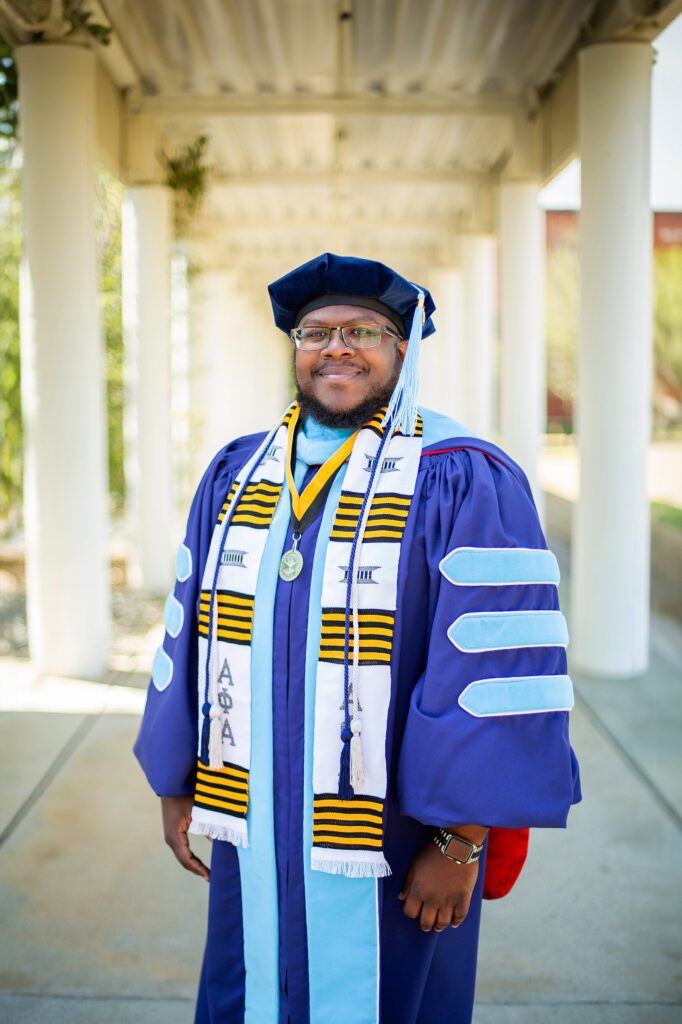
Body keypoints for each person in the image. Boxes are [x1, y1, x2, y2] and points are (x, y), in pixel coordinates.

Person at [134, 252, 580, 1024]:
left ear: (402, 350)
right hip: (255, 819)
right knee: (254, 991)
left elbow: (492, 668)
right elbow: (191, 638)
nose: (337, 348)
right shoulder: (239, 474)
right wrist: (178, 776)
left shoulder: (461, 475)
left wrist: (462, 842)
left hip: (393, 841)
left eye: (364, 330)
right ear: (296, 350)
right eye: (316, 332)